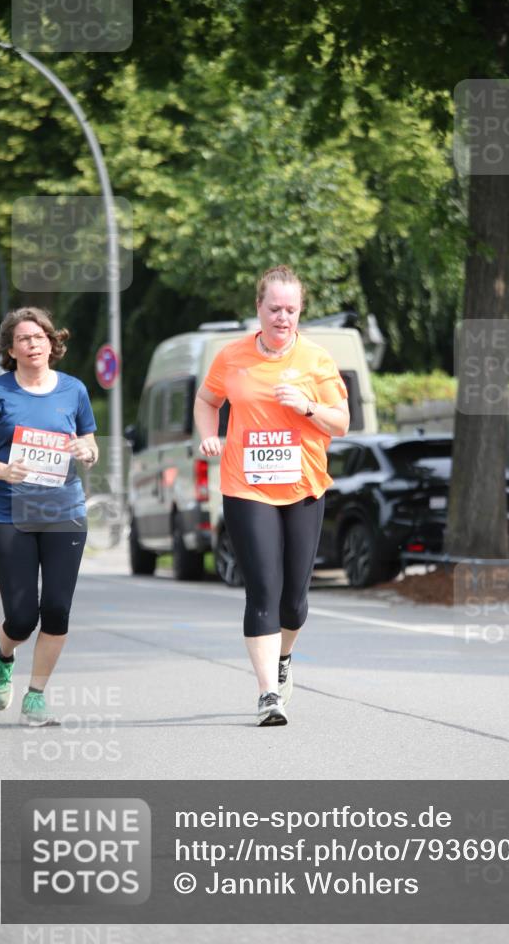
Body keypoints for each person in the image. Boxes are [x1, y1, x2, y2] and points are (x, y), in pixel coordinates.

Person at [194, 265, 350, 726]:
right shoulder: (232, 357)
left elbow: (341, 421)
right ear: (258, 309)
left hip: (303, 485)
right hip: (246, 486)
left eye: (292, 309)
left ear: (300, 312)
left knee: (294, 602)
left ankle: (284, 659)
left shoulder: (316, 359)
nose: (283, 317)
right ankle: (267, 695)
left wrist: (308, 407)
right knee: (262, 589)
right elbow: (208, 401)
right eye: (275, 308)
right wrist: (208, 436)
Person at [0, 307, 98, 726]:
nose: (32, 344)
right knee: (23, 615)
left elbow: (87, 439)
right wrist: (2, 469)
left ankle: (35, 697)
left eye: (39, 336)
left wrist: (87, 450)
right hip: (7, 510)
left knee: (57, 609)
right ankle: (4, 654)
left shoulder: (73, 390)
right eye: (23, 339)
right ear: (10, 349)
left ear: (52, 342)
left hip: (63, 509)